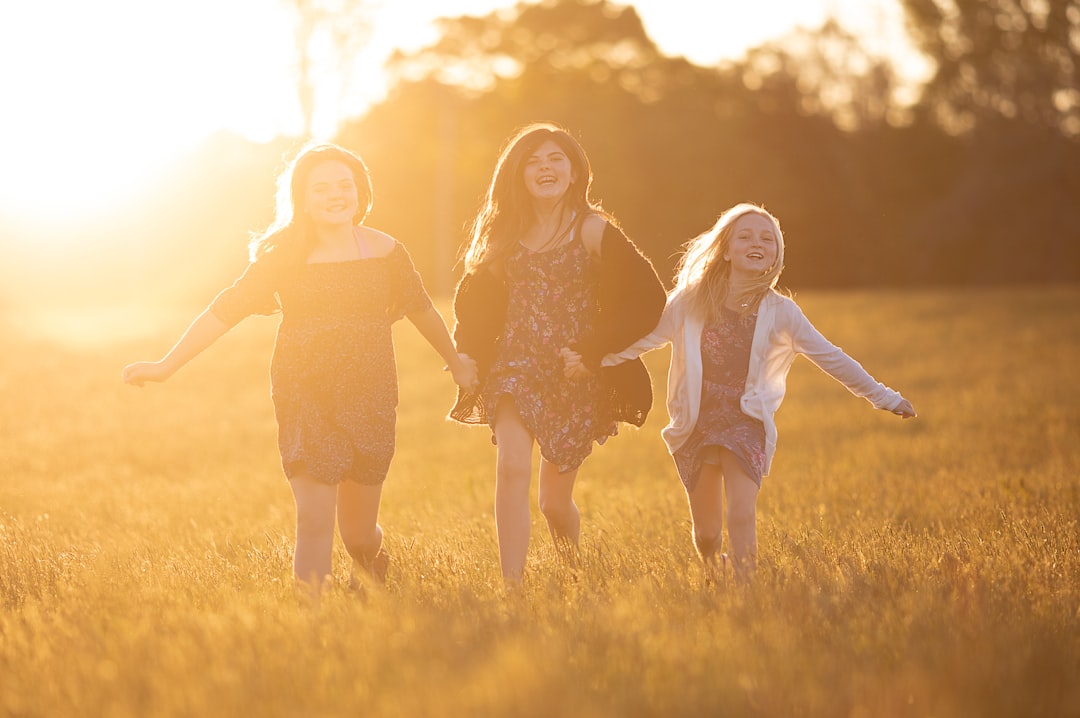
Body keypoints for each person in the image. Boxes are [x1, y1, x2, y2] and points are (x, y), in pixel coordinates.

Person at [122, 142, 478, 595]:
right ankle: (312, 625)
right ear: (303, 199)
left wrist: (455, 362)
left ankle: (372, 561)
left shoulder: (386, 250)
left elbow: (422, 309)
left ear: (360, 191)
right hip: (303, 390)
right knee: (313, 518)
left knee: (356, 533)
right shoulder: (283, 256)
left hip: (369, 393)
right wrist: (165, 365)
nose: (336, 194)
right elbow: (225, 309)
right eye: (322, 187)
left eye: (345, 184)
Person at [564, 203, 916, 584]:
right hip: (695, 423)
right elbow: (643, 340)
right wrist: (593, 360)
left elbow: (832, 358)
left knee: (742, 513)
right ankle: (714, 571)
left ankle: (746, 591)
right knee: (708, 533)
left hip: (746, 423)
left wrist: (887, 397)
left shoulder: (782, 312)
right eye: (745, 236)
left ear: (776, 255)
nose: (757, 243)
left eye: (768, 239)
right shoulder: (689, 301)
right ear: (726, 249)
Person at [450, 122, 666, 584]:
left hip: (573, 373)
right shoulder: (506, 235)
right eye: (533, 160)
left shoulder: (592, 229)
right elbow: (475, 307)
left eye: (555, 159)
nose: (544, 167)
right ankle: (513, 587)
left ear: (574, 174)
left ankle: (573, 567)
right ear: (518, 174)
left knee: (553, 503)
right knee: (510, 466)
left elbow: (648, 298)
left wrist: (594, 351)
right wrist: (467, 353)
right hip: (515, 365)